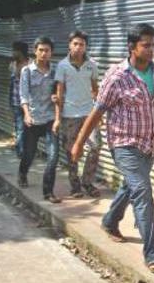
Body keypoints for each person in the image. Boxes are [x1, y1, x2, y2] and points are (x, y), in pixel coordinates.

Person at [70, 23, 154, 274]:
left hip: (148, 143)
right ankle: (152, 254)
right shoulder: (117, 76)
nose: (151, 49)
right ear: (132, 46)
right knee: (142, 191)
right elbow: (97, 111)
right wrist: (79, 142)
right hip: (124, 144)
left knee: (130, 186)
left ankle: (110, 220)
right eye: (146, 45)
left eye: (153, 45)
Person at [54, 30, 102, 198]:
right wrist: (57, 118)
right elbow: (59, 93)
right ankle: (75, 186)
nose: (78, 47)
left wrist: (99, 115)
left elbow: (95, 90)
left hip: (89, 114)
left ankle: (87, 182)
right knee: (71, 151)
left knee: (95, 146)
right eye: (75, 44)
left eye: (82, 44)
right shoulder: (62, 66)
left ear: (86, 46)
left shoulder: (92, 65)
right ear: (69, 45)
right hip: (69, 114)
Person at [18, 36, 62, 203]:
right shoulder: (27, 71)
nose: (44, 53)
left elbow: (59, 93)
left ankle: (48, 192)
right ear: (35, 51)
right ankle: (22, 172)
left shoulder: (55, 71)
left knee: (53, 155)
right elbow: (23, 95)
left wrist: (57, 105)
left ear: (51, 53)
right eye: (41, 50)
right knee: (29, 154)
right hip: (33, 119)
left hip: (50, 119)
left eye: (47, 50)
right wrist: (26, 114)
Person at [9, 41, 30, 158]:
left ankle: (24, 150)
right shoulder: (12, 65)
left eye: (14, 51)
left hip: (28, 103)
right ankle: (21, 152)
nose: (12, 53)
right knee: (19, 128)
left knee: (27, 129)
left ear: (20, 52)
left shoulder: (30, 65)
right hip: (16, 101)